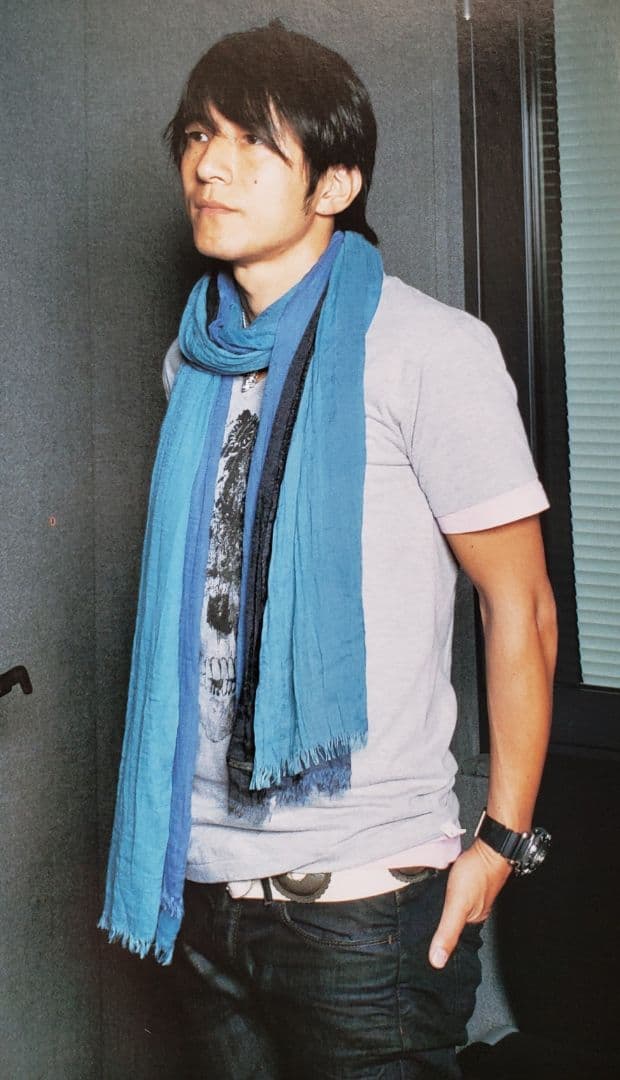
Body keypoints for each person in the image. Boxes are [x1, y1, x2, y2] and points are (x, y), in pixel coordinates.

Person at [100, 22, 557, 1079]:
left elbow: (521, 608)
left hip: (363, 910)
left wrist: (499, 843)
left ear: (335, 183)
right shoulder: (194, 358)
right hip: (198, 889)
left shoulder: (429, 351)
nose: (208, 166)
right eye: (197, 136)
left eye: (251, 143)